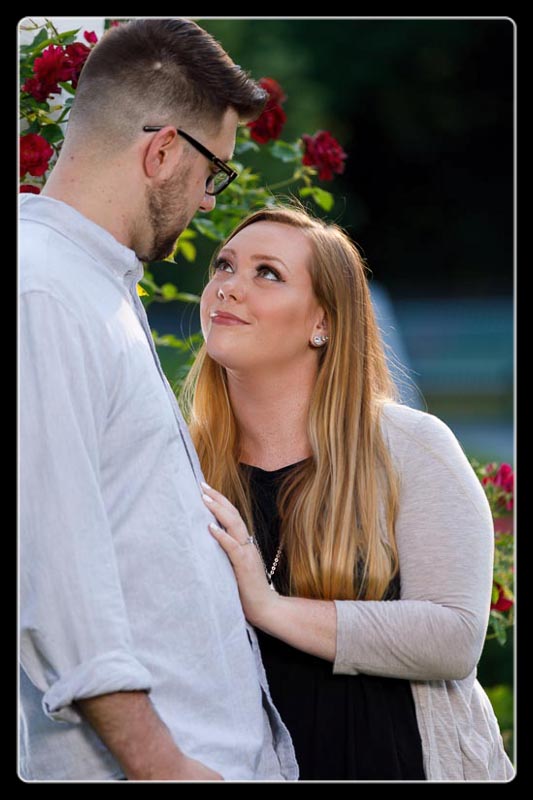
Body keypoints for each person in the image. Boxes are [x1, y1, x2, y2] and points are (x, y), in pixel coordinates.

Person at [19, 19, 299, 782]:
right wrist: (166, 765)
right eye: (217, 174)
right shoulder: (41, 289)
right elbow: (52, 566)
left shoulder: (89, 284)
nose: (211, 202)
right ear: (165, 150)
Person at [181, 205, 515, 781]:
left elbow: (455, 638)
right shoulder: (184, 464)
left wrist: (269, 607)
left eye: (268, 273)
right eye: (224, 265)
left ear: (324, 324)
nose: (229, 287)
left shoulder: (410, 447)